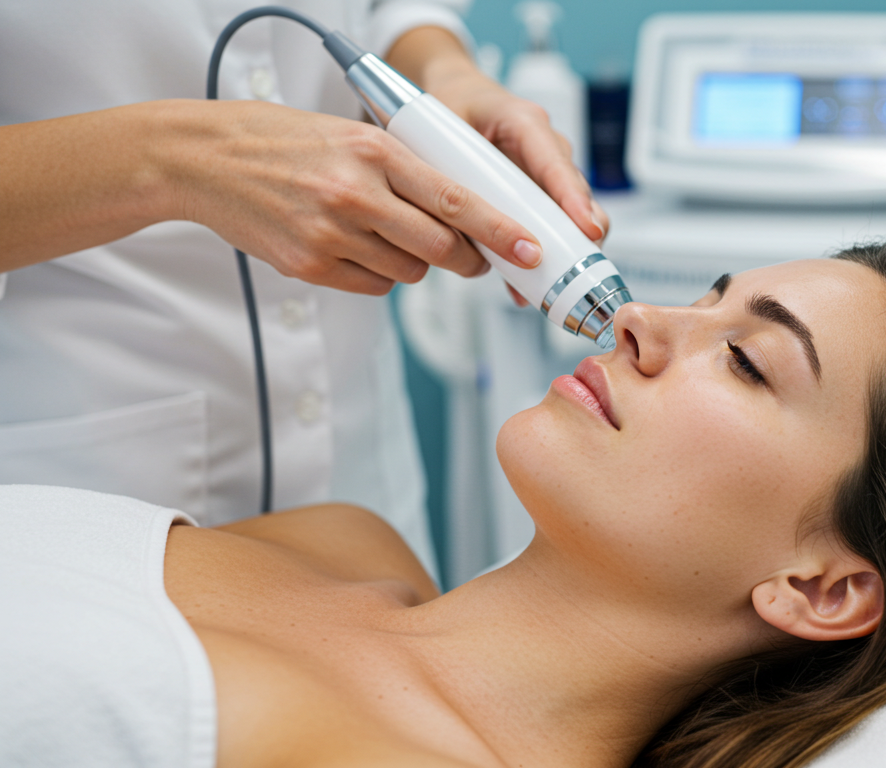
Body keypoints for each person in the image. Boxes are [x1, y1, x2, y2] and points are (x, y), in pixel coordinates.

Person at [0, 241, 886, 767]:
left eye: (748, 364)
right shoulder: (345, 541)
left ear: (823, 587)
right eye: (708, 298)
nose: (640, 322)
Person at [0, 1, 606, 571]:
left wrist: (441, 68)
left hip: (359, 454)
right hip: (92, 481)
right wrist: (173, 161)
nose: (642, 328)